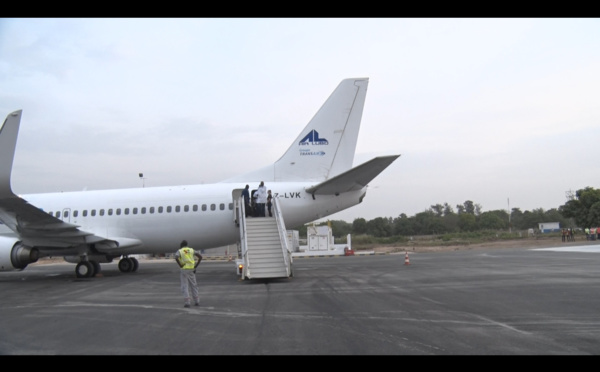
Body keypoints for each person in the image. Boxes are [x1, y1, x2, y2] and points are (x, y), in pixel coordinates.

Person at [174, 240, 202, 308]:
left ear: (181, 245)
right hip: (192, 269)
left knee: (185, 286)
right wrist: (195, 266)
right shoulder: (191, 250)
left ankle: (187, 302)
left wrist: (180, 265)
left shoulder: (180, 251)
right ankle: (197, 301)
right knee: (194, 285)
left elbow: (176, 257)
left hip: (184, 270)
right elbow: (200, 257)